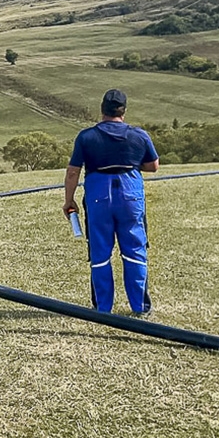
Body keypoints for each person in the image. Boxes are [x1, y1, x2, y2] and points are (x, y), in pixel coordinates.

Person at [63, 90, 160, 317]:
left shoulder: (86, 137)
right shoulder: (139, 135)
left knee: (100, 252)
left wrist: (69, 201)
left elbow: (72, 172)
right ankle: (140, 307)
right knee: (135, 249)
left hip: (98, 195)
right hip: (131, 194)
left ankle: (102, 309)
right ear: (123, 111)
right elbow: (153, 166)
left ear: (102, 109)